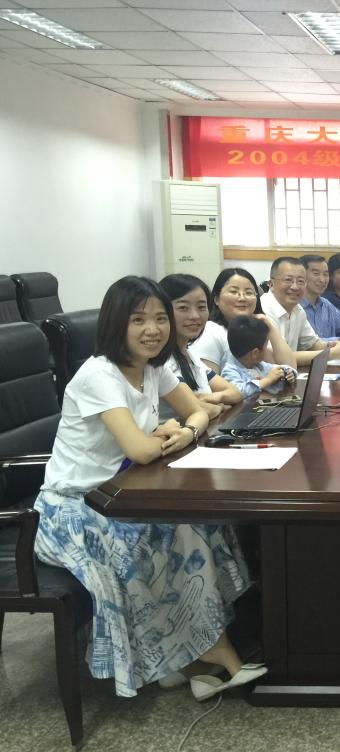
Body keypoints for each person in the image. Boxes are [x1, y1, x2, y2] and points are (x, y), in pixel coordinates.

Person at [32, 276, 264, 699]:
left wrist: (185, 431)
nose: (153, 329)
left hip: (122, 491)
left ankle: (193, 655)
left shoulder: (154, 368)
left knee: (203, 524)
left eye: (160, 318)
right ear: (115, 324)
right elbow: (140, 451)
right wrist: (166, 434)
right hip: (73, 507)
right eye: (138, 320)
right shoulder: (99, 375)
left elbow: (197, 413)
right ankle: (206, 650)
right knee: (163, 535)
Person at [157, 274, 242, 421]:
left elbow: (236, 393)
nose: (195, 316)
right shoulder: (164, 361)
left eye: (202, 307)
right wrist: (220, 405)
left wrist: (217, 398)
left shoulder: (190, 355)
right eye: (183, 307)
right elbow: (204, 411)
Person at [260, 256, 340, 365]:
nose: (295, 287)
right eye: (288, 280)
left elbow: (311, 343)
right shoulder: (263, 310)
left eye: (300, 281)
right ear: (271, 284)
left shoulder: (298, 310)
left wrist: (335, 344)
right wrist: (332, 353)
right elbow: (276, 358)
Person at [190, 267, 295, 374]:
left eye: (248, 292)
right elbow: (207, 382)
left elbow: (290, 369)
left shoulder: (256, 329)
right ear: (217, 299)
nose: (242, 298)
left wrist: (270, 327)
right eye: (233, 292)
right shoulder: (210, 331)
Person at [222, 315, 298, 398]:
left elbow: (279, 369)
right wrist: (267, 380)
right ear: (255, 353)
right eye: (266, 344)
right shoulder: (230, 371)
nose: (267, 348)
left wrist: (288, 373)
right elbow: (238, 393)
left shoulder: (260, 366)